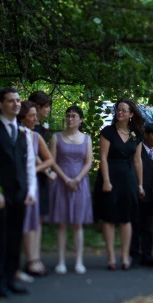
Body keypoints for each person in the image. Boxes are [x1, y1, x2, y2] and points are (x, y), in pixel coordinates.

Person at [0, 87, 37, 298]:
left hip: (19, 192)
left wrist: (31, 191)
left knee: (14, 237)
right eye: (10, 101)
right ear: (0, 104)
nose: (16, 104)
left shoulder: (24, 133)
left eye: (18, 100)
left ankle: (10, 279)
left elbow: (28, 165)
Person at [93, 98, 146, 270]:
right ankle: (111, 258)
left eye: (124, 110)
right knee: (109, 218)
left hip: (128, 178)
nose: (120, 112)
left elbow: (138, 161)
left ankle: (124, 257)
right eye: (118, 110)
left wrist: (140, 184)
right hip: (110, 176)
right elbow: (102, 158)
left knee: (126, 218)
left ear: (131, 115)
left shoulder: (136, 135)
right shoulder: (107, 132)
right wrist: (106, 180)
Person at [48, 105, 93, 274]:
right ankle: (60, 261)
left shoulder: (86, 139)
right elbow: (51, 161)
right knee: (62, 223)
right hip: (61, 181)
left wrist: (77, 179)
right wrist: (66, 179)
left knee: (77, 223)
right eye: (68, 116)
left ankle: (79, 261)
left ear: (80, 120)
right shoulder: (56, 137)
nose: (70, 119)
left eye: (73, 116)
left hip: (80, 183)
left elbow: (88, 162)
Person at [18, 101, 55, 281]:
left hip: (32, 183)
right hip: (17, 184)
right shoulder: (15, 134)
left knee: (34, 221)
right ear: (22, 116)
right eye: (31, 115)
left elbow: (49, 160)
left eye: (35, 115)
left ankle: (33, 259)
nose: (35, 119)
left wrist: (35, 170)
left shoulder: (35, 136)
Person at [130, 122, 153, 268]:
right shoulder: (138, 151)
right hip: (139, 193)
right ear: (146, 135)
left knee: (149, 227)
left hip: (151, 196)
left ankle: (148, 255)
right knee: (136, 224)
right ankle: (134, 256)